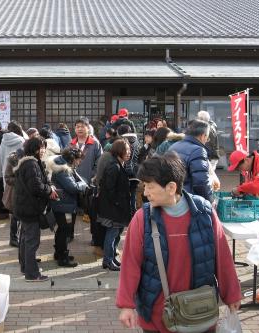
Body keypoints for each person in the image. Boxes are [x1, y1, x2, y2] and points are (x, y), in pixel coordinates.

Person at [117, 153, 242, 333]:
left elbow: (222, 257)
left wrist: (232, 295)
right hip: (156, 315)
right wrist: (126, 304)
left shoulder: (204, 213)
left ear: (171, 187)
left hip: (199, 312)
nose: (145, 193)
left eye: (150, 187)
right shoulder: (142, 219)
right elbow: (130, 264)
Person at [13, 137, 58, 282]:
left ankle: (26, 268)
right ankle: (32, 274)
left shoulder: (28, 162)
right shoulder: (31, 164)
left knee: (26, 239)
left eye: (44, 147)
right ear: (33, 148)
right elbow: (36, 186)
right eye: (40, 147)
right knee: (32, 241)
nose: (43, 150)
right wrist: (49, 190)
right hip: (30, 208)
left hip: (24, 207)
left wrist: (48, 187)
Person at [46, 147, 88, 267]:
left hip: (63, 204)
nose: (79, 162)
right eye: (79, 160)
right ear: (73, 159)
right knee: (64, 231)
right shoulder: (63, 170)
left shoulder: (62, 165)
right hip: (64, 206)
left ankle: (59, 253)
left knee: (62, 230)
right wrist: (82, 184)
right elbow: (73, 187)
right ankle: (62, 258)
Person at [98, 139, 132, 271]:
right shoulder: (114, 166)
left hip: (118, 207)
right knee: (111, 234)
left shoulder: (119, 164)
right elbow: (109, 189)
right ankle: (107, 260)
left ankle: (112, 258)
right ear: (119, 151)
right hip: (113, 209)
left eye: (129, 150)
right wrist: (117, 202)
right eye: (126, 151)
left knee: (117, 234)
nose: (129, 153)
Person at [70, 117, 103, 242]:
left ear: (88, 128)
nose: (79, 129)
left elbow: (99, 163)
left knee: (92, 212)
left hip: (89, 184)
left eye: (82, 126)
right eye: (77, 126)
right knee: (72, 210)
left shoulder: (95, 143)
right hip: (73, 184)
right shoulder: (71, 143)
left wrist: (93, 177)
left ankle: (95, 236)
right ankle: (69, 233)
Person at [169, 119, 213, 202]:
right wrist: (210, 200)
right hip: (189, 200)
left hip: (173, 196)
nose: (206, 141)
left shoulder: (173, 146)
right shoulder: (198, 150)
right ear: (202, 136)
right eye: (207, 138)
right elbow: (201, 183)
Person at [3, 147, 24, 247]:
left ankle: (18, 237)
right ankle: (13, 238)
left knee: (19, 216)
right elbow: (7, 178)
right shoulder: (12, 161)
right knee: (15, 216)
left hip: (23, 193)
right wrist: (20, 180)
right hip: (13, 192)